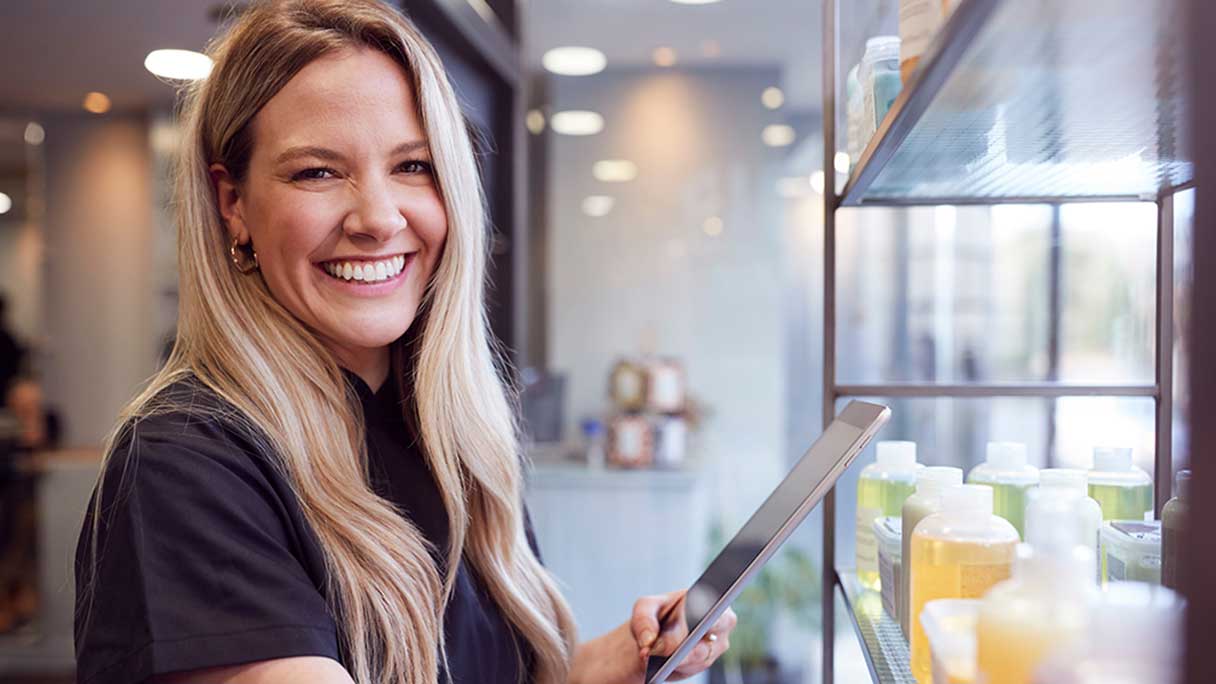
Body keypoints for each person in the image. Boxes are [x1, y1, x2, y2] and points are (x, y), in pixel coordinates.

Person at [73, 2, 735, 684]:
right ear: (231, 203)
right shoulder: (185, 462)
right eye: (317, 173)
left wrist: (609, 664)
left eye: (413, 166)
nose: (379, 218)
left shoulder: (449, 433)